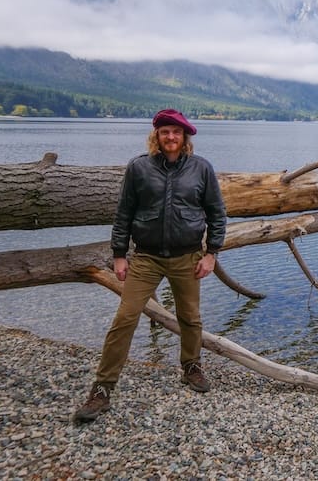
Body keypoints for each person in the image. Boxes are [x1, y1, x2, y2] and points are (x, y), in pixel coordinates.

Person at [74, 108, 227, 423]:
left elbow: (216, 214)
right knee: (125, 318)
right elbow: (123, 214)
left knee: (190, 317)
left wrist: (211, 253)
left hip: (187, 257)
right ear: (156, 136)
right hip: (145, 257)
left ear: (185, 136)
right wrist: (119, 254)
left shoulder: (202, 169)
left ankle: (191, 367)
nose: (170, 137)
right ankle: (102, 389)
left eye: (176, 131)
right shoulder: (139, 168)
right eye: (164, 131)